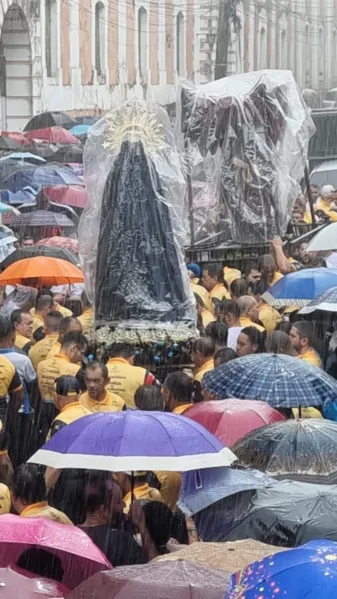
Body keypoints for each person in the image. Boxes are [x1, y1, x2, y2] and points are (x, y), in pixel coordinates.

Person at [80, 474, 149, 566]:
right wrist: (142, 525)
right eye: (118, 502)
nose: (124, 505)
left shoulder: (71, 536)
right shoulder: (121, 541)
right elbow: (150, 566)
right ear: (103, 510)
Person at [0, 315, 36, 466]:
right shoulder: (16, 361)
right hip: (13, 417)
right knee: (8, 456)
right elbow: (21, 394)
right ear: (13, 337)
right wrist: (9, 414)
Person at [37, 332, 87, 436]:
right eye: (81, 353)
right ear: (73, 349)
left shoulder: (41, 365)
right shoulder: (76, 370)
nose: (81, 358)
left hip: (43, 417)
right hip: (66, 419)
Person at [106, 343, 157, 409]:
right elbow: (157, 398)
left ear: (110, 357)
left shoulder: (94, 373)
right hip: (133, 418)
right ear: (132, 358)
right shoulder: (145, 374)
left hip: (98, 417)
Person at [47, 375, 91, 440]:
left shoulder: (60, 422)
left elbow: (54, 449)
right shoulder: (90, 415)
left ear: (56, 396)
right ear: (80, 394)